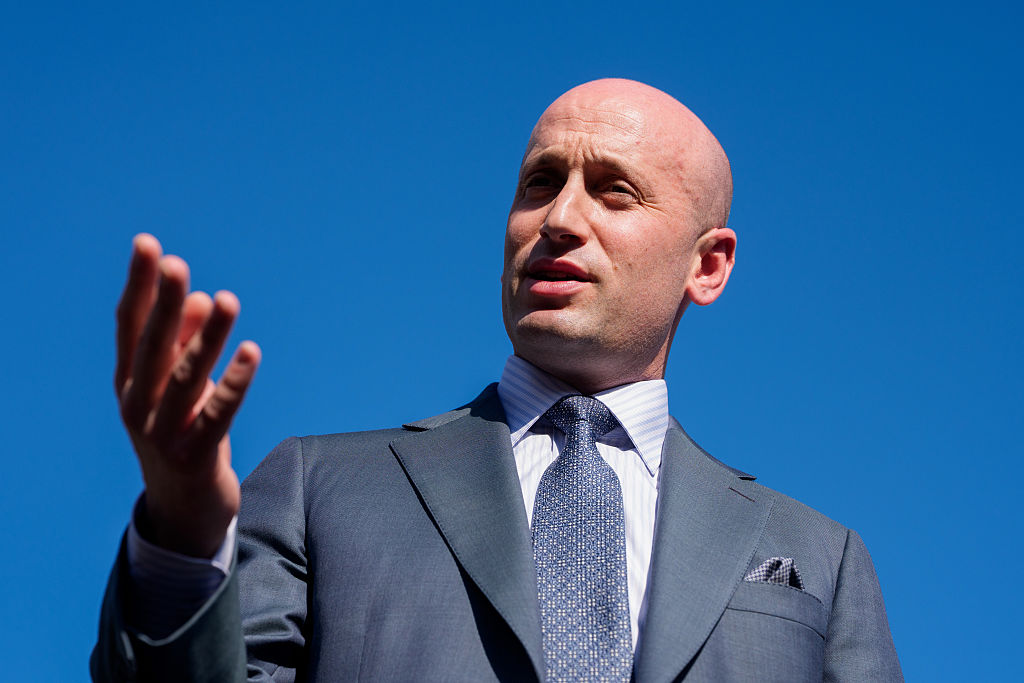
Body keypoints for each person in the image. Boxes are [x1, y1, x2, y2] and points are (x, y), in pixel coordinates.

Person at [92, 78, 902, 682]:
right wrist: (182, 536)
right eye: (540, 184)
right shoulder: (320, 487)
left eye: (613, 192)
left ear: (708, 264)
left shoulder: (817, 559)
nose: (558, 219)